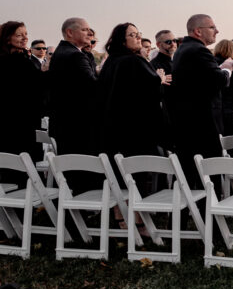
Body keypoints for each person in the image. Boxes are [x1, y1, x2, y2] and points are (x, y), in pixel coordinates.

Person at [168, 14, 232, 188]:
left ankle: (187, 210)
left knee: (188, 172)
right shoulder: (199, 50)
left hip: (186, 123)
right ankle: (209, 211)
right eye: (212, 27)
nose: (217, 30)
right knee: (210, 174)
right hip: (203, 125)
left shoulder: (182, 50)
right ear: (198, 31)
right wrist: (226, 70)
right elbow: (219, 81)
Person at [96, 23, 170, 165]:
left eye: (138, 34)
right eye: (132, 35)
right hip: (138, 130)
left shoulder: (112, 61)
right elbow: (150, 90)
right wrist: (159, 80)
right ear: (122, 40)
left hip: (116, 128)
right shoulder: (133, 60)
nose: (138, 38)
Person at [47, 17, 98, 158]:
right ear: (69, 32)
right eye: (84, 30)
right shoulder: (75, 55)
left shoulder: (61, 51)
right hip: (78, 126)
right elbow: (93, 87)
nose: (89, 33)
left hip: (63, 123)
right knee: (82, 172)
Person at [0, 22, 45, 178]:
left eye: (26, 34)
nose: (25, 38)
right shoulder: (20, 61)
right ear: (7, 39)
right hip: (22, 120)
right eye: (19, 35)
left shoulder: (18, 59)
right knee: (23, 165)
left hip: (10, 119)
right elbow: (35, 87)